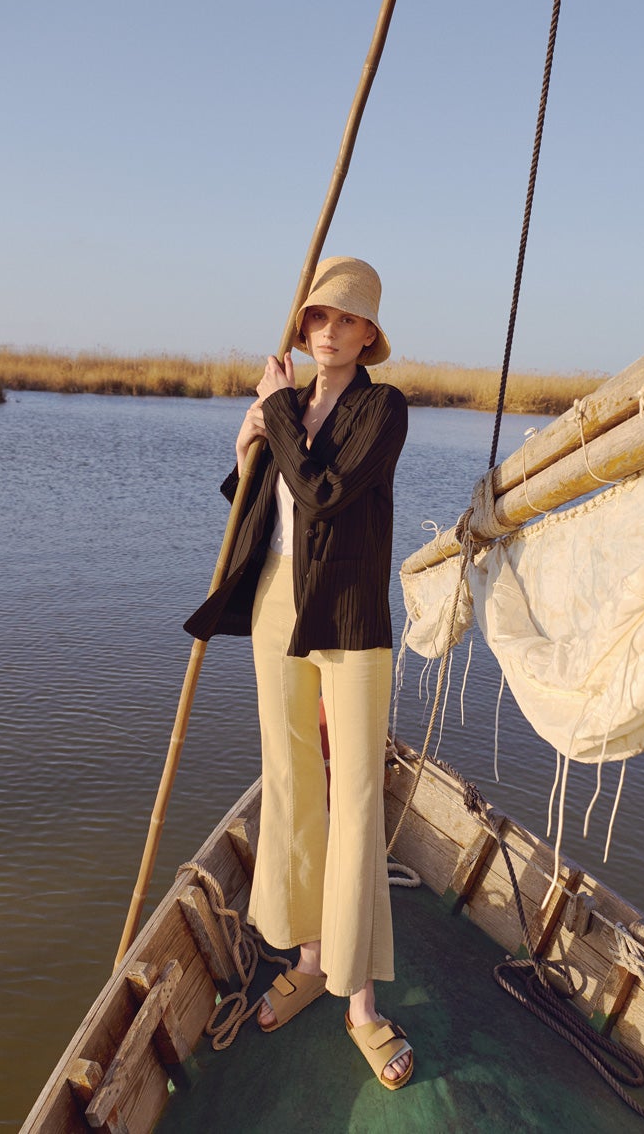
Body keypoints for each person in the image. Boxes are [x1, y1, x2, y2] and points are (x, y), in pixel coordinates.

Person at [184, 256, 412, 1089]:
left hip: (348, 615)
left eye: (346, 320)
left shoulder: (383, 408)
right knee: (289, 781)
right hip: (276, 602)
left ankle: (361, 1002)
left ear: (368, 334)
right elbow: (267, 507)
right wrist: (246, 443)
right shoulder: (286, 404)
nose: (328, 330)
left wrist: (278, 411)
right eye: (318, 316)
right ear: (305, 324)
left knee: (353, 796)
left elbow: (323, 493)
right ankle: (311, 959)